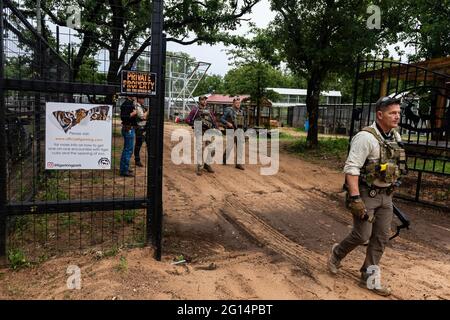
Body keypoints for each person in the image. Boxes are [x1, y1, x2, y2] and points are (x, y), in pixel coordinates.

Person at [327, 96, 407, 296]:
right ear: (380, 115)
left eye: (398, 113)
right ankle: (337, 253)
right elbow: (351, 169)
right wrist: (355, 199)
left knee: (380, 237)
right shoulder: (366, 137)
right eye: (392, 113)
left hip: (386, 196)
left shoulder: (395, 137)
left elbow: (397, 165)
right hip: (366, 194)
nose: (397, 116)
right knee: (362, 234)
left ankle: (368, 276)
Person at [185, 95, 219, 175]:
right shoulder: (195, 110)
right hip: (199, 131)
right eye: (203, 100)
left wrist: (217, 128)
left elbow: (213, 120)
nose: (204, 101)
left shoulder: (208, 111)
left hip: (208, 131)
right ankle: (199, 167)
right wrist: (194, 123)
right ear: (199, 101)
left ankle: (207, 164)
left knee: (213, 149)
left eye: (205, 100)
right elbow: (188, 119)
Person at [220, 97, 244, 170]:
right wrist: (228, 123)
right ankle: (224, 159)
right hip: (231, 130)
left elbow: (243, 122)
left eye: (239, 103)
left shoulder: (241, 111)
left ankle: (238, 164)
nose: (238, 104)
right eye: (237, 103)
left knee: (240, 147)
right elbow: (222, 119)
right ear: (233, 103)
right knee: (230, 146)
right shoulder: (229, 110)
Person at [119, 96, 138, 177]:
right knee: (128, 150)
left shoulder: (130, 103)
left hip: (129, 128)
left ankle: (125, 168)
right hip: (128, 128)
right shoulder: (127, 103)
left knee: (128, 150)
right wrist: (133, 113)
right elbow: (124, 116)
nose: (134, 95)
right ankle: (124, 170)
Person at [133, 97, 148, 167]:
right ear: (139, 99)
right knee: (138, 144)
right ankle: (137, 160)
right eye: (142, 98)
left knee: (144, 143)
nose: (143, 100)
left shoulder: (142, 106)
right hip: (140, 127)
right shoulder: (137, 106)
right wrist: (147, 112)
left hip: (144, 127)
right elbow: (142, 117)